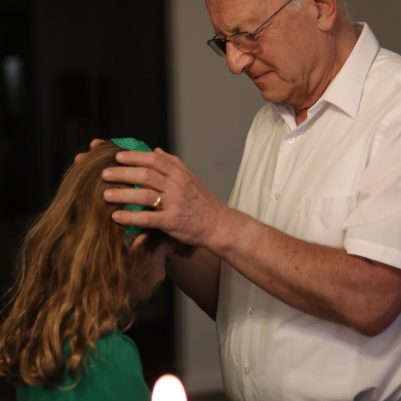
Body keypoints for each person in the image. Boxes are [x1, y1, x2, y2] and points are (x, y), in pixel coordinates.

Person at [99, 0, 401, 400]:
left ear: (322, 7)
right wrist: (163, 222)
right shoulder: (268, 122)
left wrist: (213, 221)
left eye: (248, 36)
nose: (235, 63)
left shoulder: (392, 109)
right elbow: (242, 296)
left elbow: (373, 299)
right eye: (224, 41)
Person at [0, 138, 176, 401]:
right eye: (167, 259)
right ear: (138, 250)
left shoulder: (40, 342)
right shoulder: (111, 357)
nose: (163, 275)